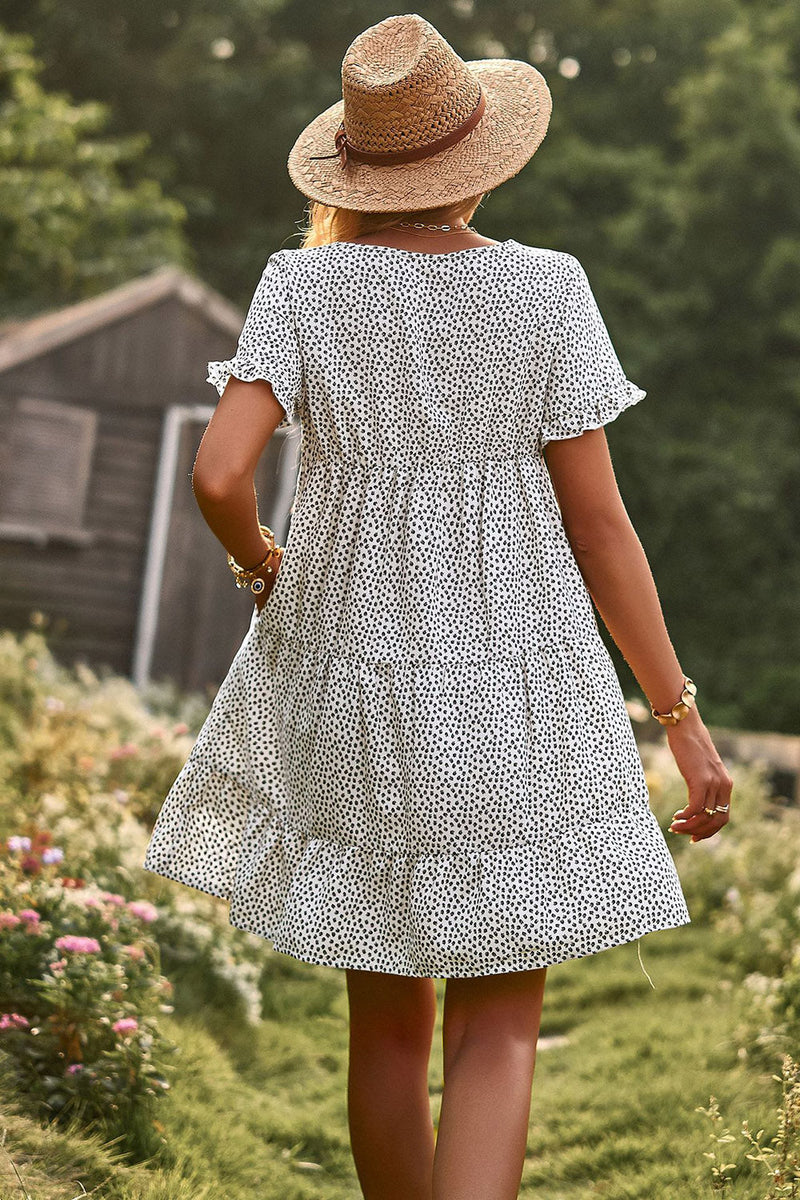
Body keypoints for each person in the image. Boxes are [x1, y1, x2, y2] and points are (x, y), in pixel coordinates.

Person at [143, 13, 734, 1199]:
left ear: (358, 166)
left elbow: (217, 477)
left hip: (352, 681)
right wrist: (676, 716)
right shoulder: (546, 289)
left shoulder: (301, 285)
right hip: (521, 680)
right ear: (482, 155)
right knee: (497, 1029)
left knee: (386, 1028)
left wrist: (268, 569)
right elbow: (598, 527)